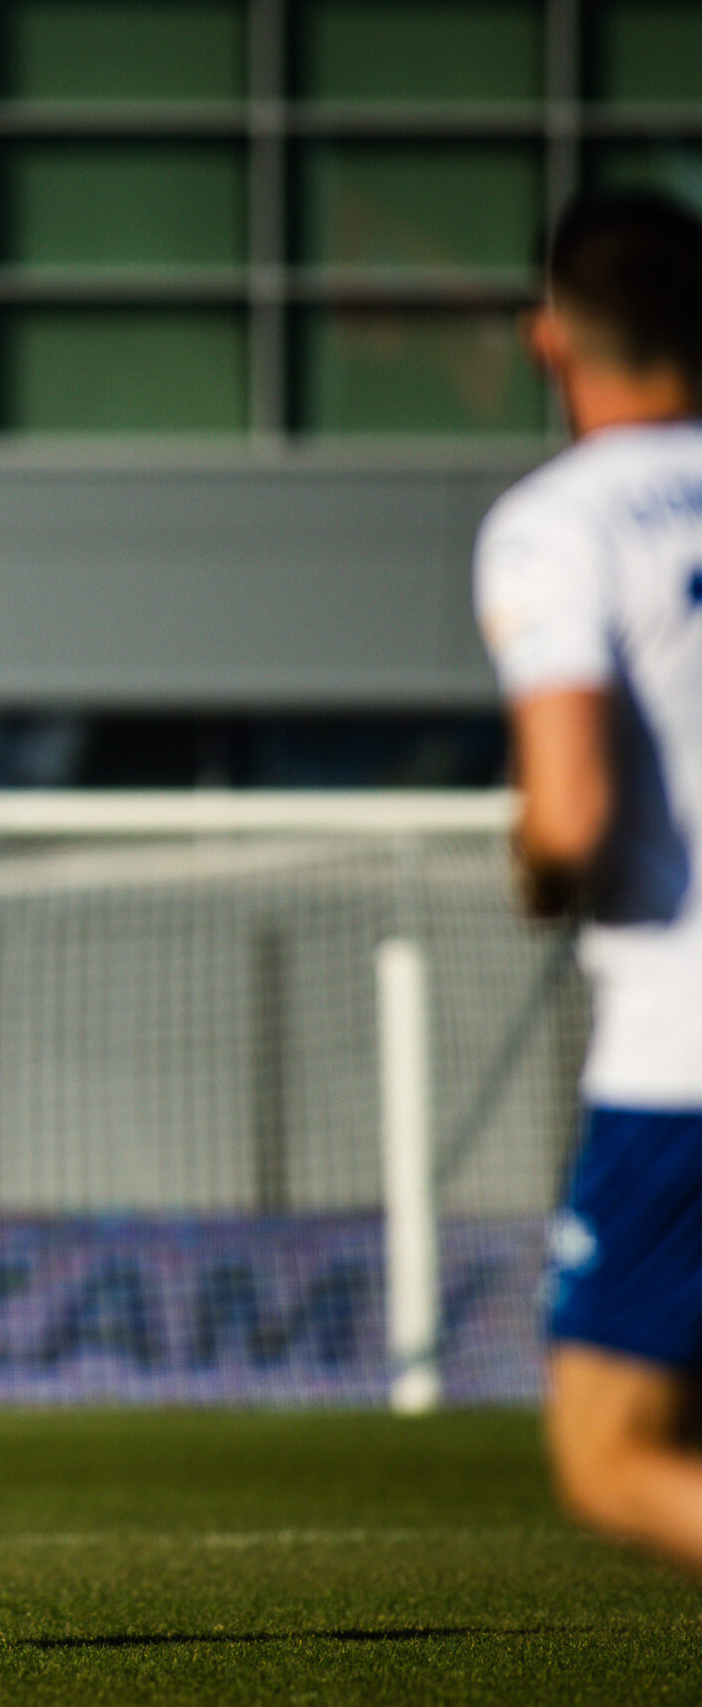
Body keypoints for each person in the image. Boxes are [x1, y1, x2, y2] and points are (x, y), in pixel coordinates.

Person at [474, 188, 702, 1577]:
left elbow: (570, 812)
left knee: (614, 1452)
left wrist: (541, 869)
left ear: (549, 338)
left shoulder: (562, 521)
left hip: (683, 1044)